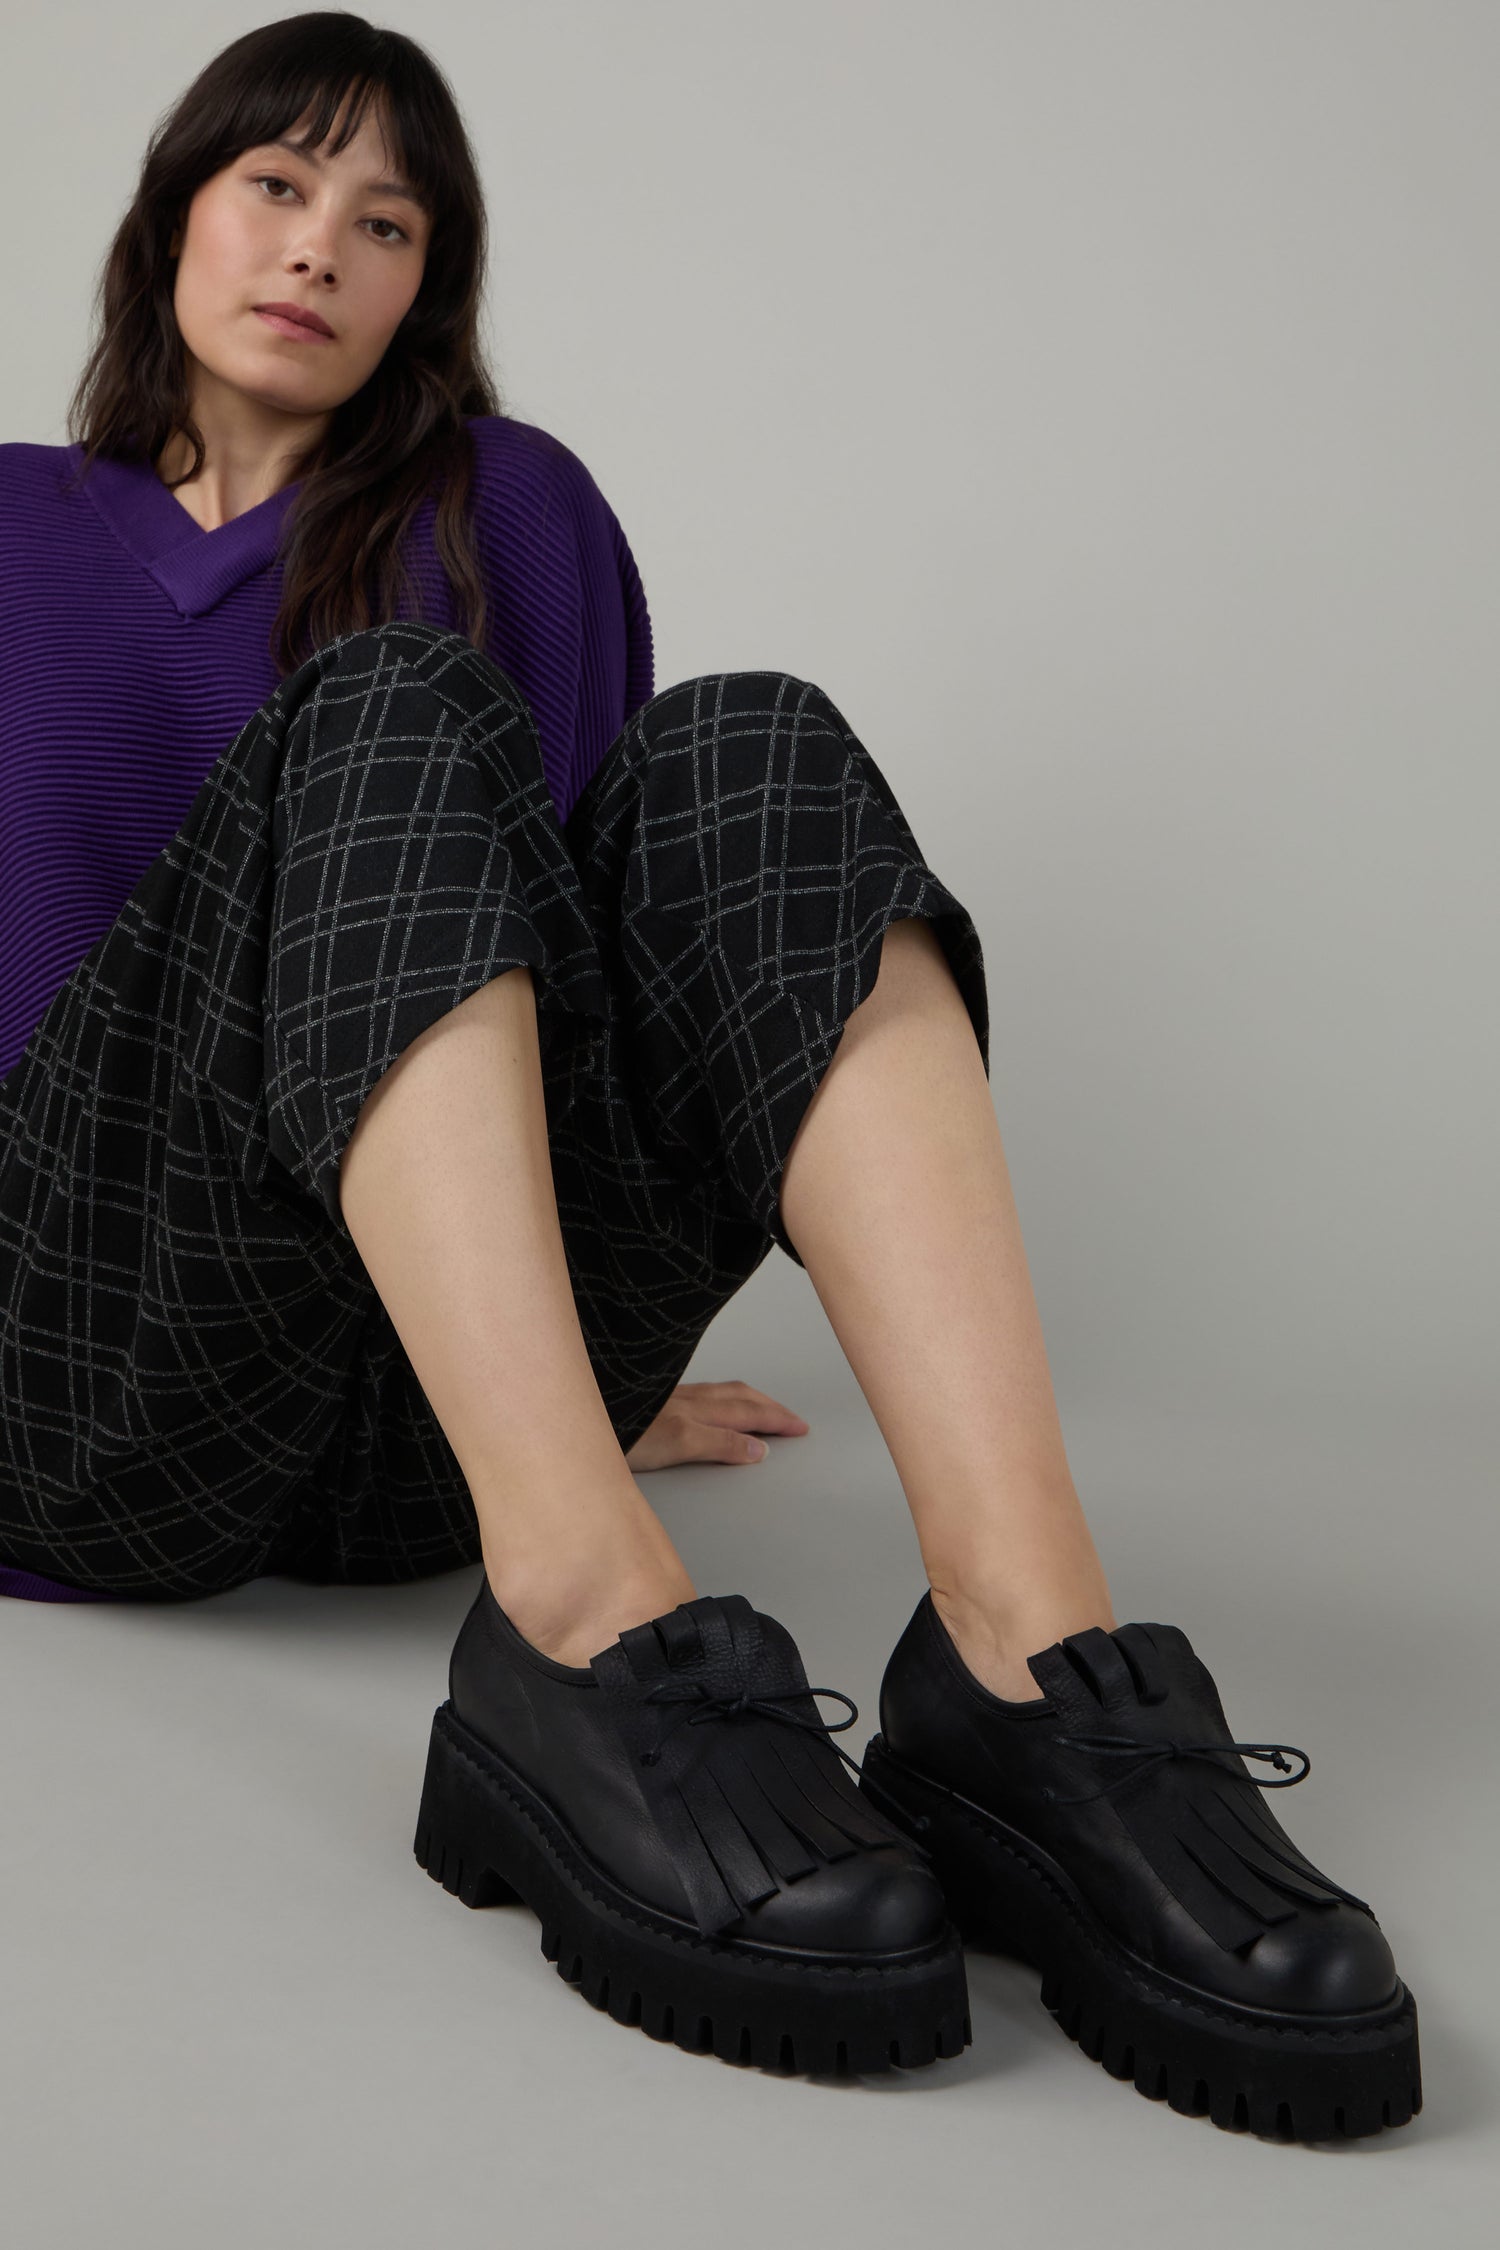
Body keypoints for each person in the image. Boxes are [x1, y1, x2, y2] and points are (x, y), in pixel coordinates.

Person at [0, 13, 1419, 2136]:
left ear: (427, 288)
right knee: (384, 710)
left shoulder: (511, 503)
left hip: (416, 1440)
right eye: (277, 187)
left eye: (384, 221)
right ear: (174, 220)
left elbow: (598, 970)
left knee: (748, 746)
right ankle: (580, 1626)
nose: (320, 247)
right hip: (90, 1375)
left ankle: (1030, 1667)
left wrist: (585, 1355)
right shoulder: (16, 528)